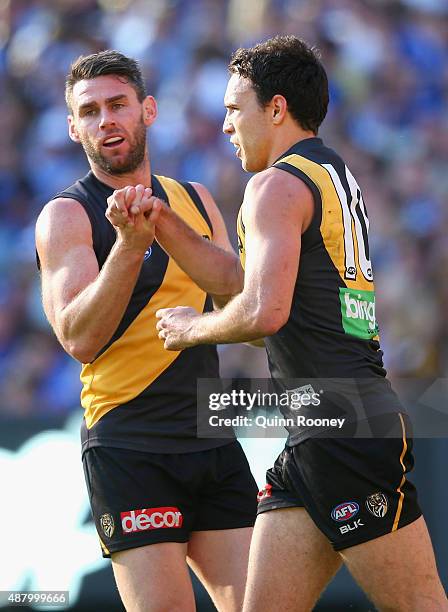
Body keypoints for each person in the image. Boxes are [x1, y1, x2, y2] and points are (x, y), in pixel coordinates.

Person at [154, 36, 448, 611]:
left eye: (234, 109)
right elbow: (260, 286)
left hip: (339, 421)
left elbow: (265, 310)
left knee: (418, 605)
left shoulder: (274, 185)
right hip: (323, 420)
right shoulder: (331, 173)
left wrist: (191, 328)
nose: (225, 126)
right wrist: (166, 226)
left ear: (277, 108)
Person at [35, 50, 258, 612]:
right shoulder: (67, 215)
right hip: (130, 442)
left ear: (148, 110)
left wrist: (166, 229)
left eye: (117, 105)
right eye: (89, 111)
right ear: (72, 126)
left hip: (210, 434)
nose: (105, 120)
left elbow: (238, 298)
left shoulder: (194, 198)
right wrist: (131, 249)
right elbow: (79, 338)